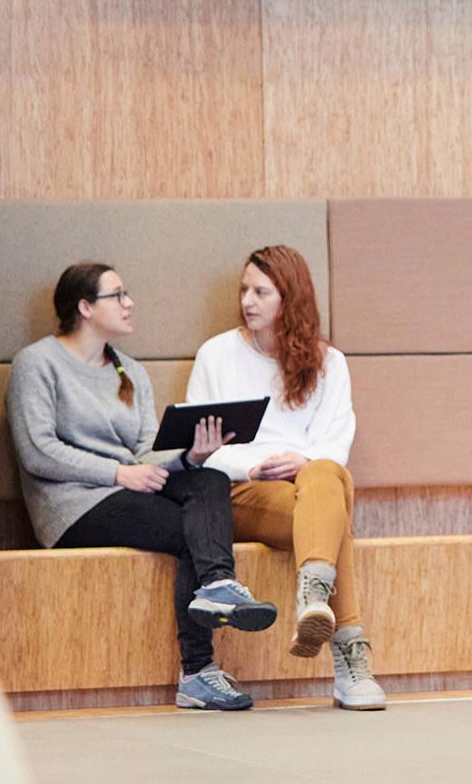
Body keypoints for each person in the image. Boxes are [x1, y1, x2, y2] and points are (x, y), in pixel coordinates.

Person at [7, 262, 277, 711]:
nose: (130, 303)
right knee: (193, 530)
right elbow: (39, 451)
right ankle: (198, 670)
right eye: (119, 295)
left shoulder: (129, 371)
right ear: (85, 307)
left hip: (128, 488)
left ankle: (218, 586)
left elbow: (144, 451)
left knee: (207, 479)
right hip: (72, 505)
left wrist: (190, 456)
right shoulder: (37, 364)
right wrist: (118, 474)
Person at [186, 244, 387, 711]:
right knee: (335, 494)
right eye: (244, 290)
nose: (247, 302)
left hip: (306, 493)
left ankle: (314, 590)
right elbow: (201, 457)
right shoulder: (216, 354)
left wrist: (301, 461)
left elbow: (335, 445)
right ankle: (348, 650)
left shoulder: (329, 363)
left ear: (289, 299)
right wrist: (249, 466)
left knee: (326, 475)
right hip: (241, 493)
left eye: (261, 291)